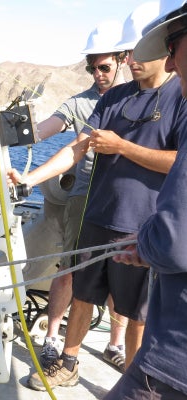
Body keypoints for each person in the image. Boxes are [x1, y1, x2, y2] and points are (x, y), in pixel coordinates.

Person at [8, 2, 184, 391]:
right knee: (83, 294)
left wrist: (122, 146)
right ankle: (68, 363)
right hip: (98, 216)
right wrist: (28, 179)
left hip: (142, 228)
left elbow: (178, 161)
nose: (129, 60)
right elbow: (77, 147)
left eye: (135, 51)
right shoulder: (114, 97)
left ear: (163, 50)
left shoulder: (180, 98)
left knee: (136, 313)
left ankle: (135, 383)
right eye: (125, 53)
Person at [33, 19, 129, 372]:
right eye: (92, 68)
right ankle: (52, 339)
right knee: (70, 268)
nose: (97, 74)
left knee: (122, 272)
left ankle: (115, 345)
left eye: (103, 67)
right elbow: (45, 130)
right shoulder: (79, 104)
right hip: (84, 198)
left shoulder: (140, 99)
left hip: (123, 201)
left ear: (124, 58)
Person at [104, 1, 187, 398]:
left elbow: (173, 243)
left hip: (174, 361)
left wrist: (150, 242)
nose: (170, 64)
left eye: (172, 47)